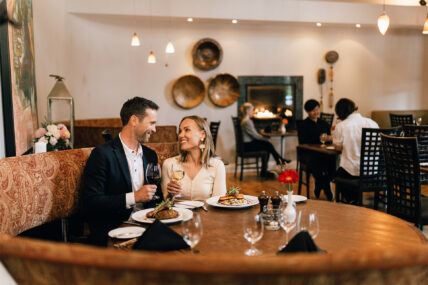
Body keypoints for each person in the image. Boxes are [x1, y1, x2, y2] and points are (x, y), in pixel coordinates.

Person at [82, 97, 162, 246]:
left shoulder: (151, 155)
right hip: (114, 232)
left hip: (148, 229)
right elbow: (91, 203)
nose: (154, 129)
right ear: (134, 120)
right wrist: (134, 197)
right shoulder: (102, 154)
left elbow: (158, 198)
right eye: (151, 123)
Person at [162, 116, 226, 200]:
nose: (181, 135)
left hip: (207, 213)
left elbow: (218, 201)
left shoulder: (217, 166)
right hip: (179, 213)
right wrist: (171, 194)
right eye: (180, 131)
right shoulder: (169, 164)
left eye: (187, 130)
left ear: (202, 134)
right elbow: (166, 201)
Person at [333, 98, 379, 203]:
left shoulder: (341, 126)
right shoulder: (372, 123)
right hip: (372, 171)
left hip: (352, 173)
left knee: (338, 173)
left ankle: (350, 200)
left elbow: (338, 147)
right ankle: (355, 200)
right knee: (345, 170)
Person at [239, 102, 287, 178]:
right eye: (252, 110)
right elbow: (255, 135)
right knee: (267, 144)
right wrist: (266, 139)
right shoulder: (247, 121)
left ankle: (266, 170)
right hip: (247, 146)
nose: (253, 112)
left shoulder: (245, 120)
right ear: (247, 111)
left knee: (267, 146)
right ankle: (278, 161)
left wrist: (265, 139)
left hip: (246, 144)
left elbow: (254, 134)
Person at [298, 99, 334, 200]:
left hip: (323, 152)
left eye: (317, 109)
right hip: (309, 153)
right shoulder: (303, 125)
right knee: (317, 161)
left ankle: (319, 185)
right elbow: (303, 141)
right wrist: (319, 138)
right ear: (307, 112)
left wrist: (329, 138)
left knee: (332, 160)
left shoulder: (324, 124)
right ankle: (326, 188)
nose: (316, 112)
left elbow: (328, 140)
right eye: (313, 110)